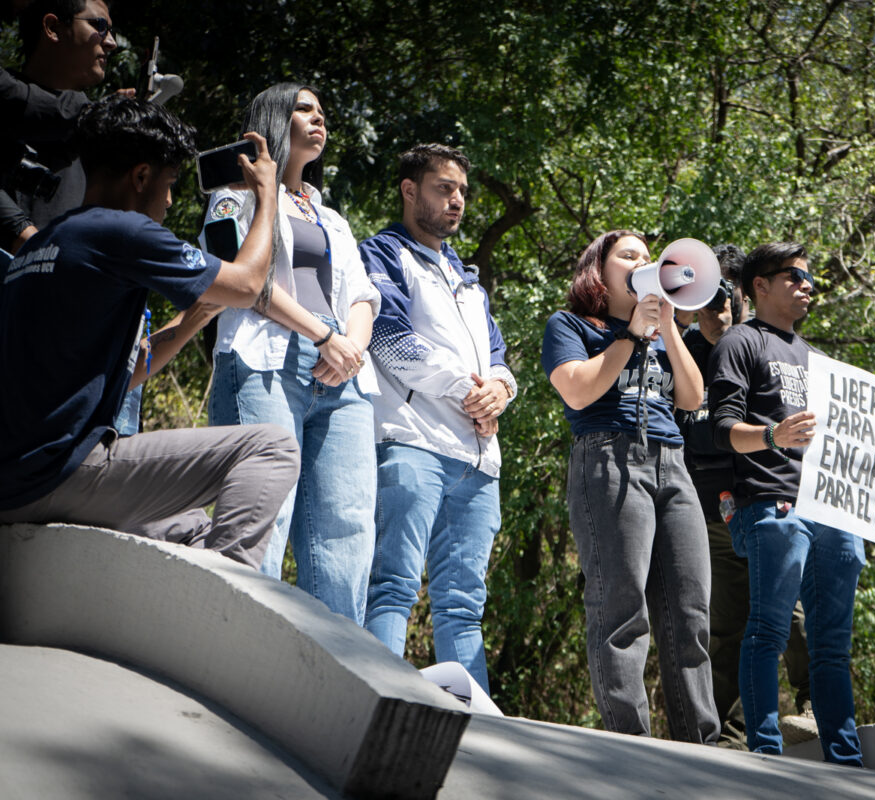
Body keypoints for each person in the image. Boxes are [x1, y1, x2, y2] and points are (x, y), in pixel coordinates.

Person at [0, 95, 299, 567]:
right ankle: (226, 601)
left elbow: (129, 371)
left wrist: (190, 322)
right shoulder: (120, 231)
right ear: (140, 177)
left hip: (18, 482)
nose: (170, 199)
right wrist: (266, 197)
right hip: (63, 474)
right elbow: (247, 283)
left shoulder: (51, 242)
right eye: (170, 183)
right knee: (272, 447)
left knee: (192, 526)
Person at [201, 83, 381, 624]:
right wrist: (324, 337)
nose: (319, 118)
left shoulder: (332, 215)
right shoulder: (236, 194)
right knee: (266, 518)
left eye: (323, 111)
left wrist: (348, 345)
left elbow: (363, 294)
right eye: (305, 109)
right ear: (275, 118)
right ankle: (248, 653)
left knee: (347, 526)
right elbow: (237, 282)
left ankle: (341, 672)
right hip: (265, 360)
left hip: (342, 371)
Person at [542, 229, 719, 743]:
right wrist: (631, 337)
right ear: (599, 268)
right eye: (629, 255)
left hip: (672, 464)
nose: (644, 262)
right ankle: (630, 743)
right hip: (610, 458)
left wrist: (666, 325)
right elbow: (577, 391)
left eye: (648, 256)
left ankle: (701, 745)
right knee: (622, 609)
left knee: (690, 612)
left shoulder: (663, 329)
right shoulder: (570, 324)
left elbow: (690, 399)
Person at [360, 143, 516, 691]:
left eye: (462, 192)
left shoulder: (469, 278)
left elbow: (499, 359)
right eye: (444, 188)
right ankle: (375, 704)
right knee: (392, 586)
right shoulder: (380, 254)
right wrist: (468, 391)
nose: (457, 201)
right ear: (410, 190)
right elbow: (388, 340)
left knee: (464, 607)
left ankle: (472, 731)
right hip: (411, 443)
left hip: (478, 462)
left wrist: (500, 390)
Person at [707, 242, 865, 763]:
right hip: (772, 504)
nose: (807, 285)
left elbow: (859, 444)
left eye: (810, 278)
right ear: (760, 285)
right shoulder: (740, 340)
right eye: (794, 276)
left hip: (833, 512)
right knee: (769, 631)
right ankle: (766, 755)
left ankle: (845, 759)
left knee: (832, 645)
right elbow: (724, 428)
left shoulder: (821, 361)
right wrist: (775, 436)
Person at [673, 244, 810, 748]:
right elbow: (688, 429)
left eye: (727, 300)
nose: (719, 313)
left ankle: (813, 704)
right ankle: (732, 738)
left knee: (793, 612)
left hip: (772, 500)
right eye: (707, 302)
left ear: (748, 297)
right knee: (727, 625)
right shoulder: (682, 352)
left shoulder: (767, 348)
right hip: (712, 509)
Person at [4, 0, 118, 240]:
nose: (111, 42)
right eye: (99, 25)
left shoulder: (98, 137)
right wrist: (24, 238)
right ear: (52, 28)